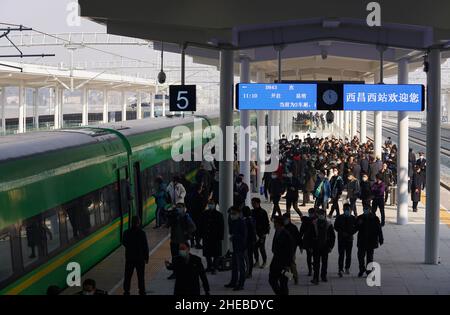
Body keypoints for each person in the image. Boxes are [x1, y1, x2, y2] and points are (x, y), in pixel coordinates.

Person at [167, 203, 196, 280]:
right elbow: (167, 224)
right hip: (174, 241)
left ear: (184, 208)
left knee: (183, 258)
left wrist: (187, 231)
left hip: (182, 242)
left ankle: (183, 273)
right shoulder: (174, 216)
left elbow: (193, 227)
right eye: (177, 207)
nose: (178, 209)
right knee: (174, 258)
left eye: (180, 207)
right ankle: (175, 273)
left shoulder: (186, 217)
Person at [122, 216, 149, 295]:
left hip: (129, 258)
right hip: (140, 258)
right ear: (138, 223)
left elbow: (124, 242)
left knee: (127, 276)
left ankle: (126, 290)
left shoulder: (126, 232)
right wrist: (146, 258)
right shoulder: (142, 233)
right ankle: (142, 290)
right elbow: (145, 246)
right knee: (140, 276)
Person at [269, 216, 294, 295]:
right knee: (272, 280)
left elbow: (290, 252)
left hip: (283, 263)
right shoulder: (277, 231)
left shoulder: (286, 235)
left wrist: (287, 265)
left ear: (278, 224)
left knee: (283, 283)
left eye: (275, 223)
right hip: (276, 261)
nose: (274, 225)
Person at [356, 207, 384, 277]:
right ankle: (362, 269)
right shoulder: (360, 218)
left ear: (370, 210)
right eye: (364, 209)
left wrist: (381, 239)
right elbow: (355, 228)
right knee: (360, 256)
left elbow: (379, 230)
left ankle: (369, 271)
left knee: (370, 257)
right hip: (362, 241)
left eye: (366, 209)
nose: (365, 210)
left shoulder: (375, 218)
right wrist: (358, 224)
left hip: (371, 241)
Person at [310, 209, 336, 284]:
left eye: (322, 214)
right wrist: (310, 246)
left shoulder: (328, 224)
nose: (321, 215)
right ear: (317, 215)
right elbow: (310, 235)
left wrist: (330, 246)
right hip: (316, 246)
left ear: (325, 215)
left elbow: (332, 237)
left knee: (324, 262)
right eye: (320, 214)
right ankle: (316, 278)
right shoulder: (314, 223)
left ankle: (323, 276)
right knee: (316, 263)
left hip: (325, 246)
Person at [225, 206, 247, 291]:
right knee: (234, 265)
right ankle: (233, 282)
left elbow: (243, 236)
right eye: (231, 214)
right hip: (234, 246)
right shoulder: (233, 221)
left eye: (234, 214)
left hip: (240, 247)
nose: (231, 215)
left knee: (241, 266)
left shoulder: (242, 222)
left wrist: (234, 237)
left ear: (238, 214)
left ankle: (241, 284)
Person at [200, 200, 224, 274]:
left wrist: (221, 236)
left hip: (215, 237)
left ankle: (215, 267)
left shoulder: (219, 215)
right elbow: (202, 225)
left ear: (215, 205)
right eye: (209, 204)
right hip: (206, 236)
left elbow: (221, 227)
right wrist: (201, 235)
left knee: (216, 253)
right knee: (207, 253)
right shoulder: (204, 213)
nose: (210, 205)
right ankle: (209, 266)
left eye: (212, 204)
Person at [334, 204, 357, 277]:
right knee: (341, 254)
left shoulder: (353, 218)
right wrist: (342, 232)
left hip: (349, 239)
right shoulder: (339, 217)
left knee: (348, 254)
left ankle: (347, 267)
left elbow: (356, 228)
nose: (346, 211)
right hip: (341, 238)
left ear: (351, 210)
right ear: (343, 210)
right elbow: (336, 227)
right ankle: (340, 269)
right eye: (345, 209)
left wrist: (350, 233)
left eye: (348, 209)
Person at [282, 213, 302, 285]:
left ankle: (295, 277)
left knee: (292, 264)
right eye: (283, 219)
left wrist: (300, 246)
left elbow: (298, 237)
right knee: (285, 266)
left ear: (289, 219)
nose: (284, 221)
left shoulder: (293, 227)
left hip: (291, 249)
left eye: (285, 219)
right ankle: (287, 277)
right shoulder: (282, 227)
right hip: (283, 249)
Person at [186, 183, 207, 249]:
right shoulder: (200, 196)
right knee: (198, 230)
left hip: (190, 214)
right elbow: (202, 207)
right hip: (198, 216)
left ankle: (192, 243)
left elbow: (187, 204)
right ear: (199, 188)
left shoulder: (189, 195)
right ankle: (197, 243)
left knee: (192, 229)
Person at [251, 198, 270, 268]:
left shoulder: (263, 212)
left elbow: (266, 223)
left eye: (254, 203)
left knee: (262, 248)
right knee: (255, 248)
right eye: (252, 203)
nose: (252, 204)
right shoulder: (252, 211)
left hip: (261, 233)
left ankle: (264, 262)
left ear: (258, 203)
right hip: (254, 233)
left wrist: (264, 233)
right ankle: (257, 261)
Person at [299, 208, 316, 276]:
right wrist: (300, 243)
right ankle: (310, 270)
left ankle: (313, 267)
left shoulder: (317, 221)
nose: (310, 214)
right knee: (309, 256)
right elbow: (301, 232)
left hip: (315, 241)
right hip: (308, 241)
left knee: (313, 256)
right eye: (310, 213)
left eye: (311, 213)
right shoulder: (306, 221)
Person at [242, 206, 257, 278]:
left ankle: (248, 272)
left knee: (248, 257)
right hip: (252, 241)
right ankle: (249, 272)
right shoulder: (252, 219)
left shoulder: (245, 221)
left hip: (247, 242)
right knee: (250, 257)